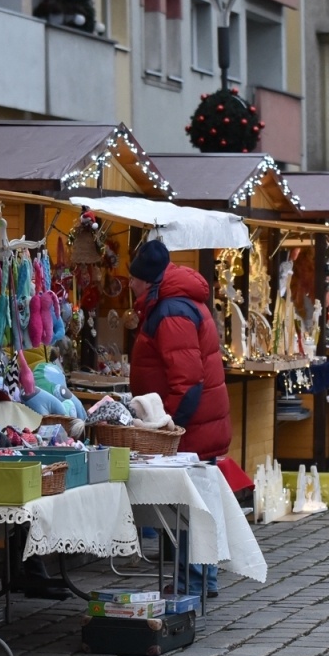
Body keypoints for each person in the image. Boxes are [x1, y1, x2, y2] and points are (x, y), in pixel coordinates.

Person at [128, 239, 231, 596]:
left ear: (146, 280)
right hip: (200, 423)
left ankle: (195, 581)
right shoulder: (176, 302)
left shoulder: (171, 311)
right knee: (197, 503)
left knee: (192, 506)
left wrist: (166, 423)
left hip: (191, 428)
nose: (130, 285)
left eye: (134, 279)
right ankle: (202, 579)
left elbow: (186, 383)